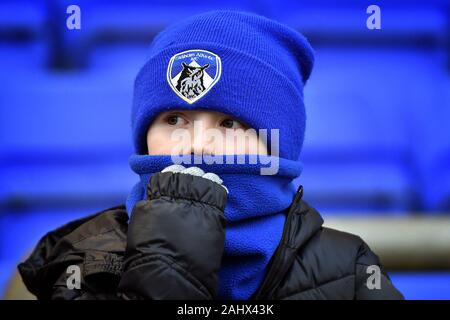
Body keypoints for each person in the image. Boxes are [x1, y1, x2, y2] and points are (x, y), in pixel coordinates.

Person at [17, 10, 404, 300]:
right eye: (174, 118)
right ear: (143, 135)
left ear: (278, 144)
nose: (198, 144)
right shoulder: (81, 259)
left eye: (230, 123)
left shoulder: (349, 269)